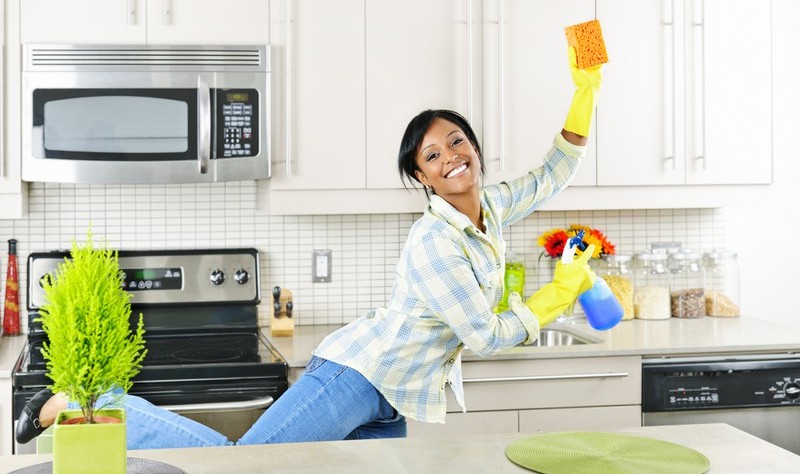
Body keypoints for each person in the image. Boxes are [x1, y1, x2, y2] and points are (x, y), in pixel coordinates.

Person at [16, 46, 603, 448]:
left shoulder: (493, 206)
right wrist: (559, 293)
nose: (451, 156)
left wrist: (586, 91)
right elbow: (485, 336)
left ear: (474, 148)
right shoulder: (434, 243)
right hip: (354, 376)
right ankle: (74, 404)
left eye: (457, 141)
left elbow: (555, 170)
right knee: (246, 462)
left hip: (393, 396)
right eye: (432, 154)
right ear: (422, 178)